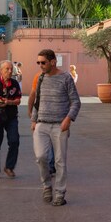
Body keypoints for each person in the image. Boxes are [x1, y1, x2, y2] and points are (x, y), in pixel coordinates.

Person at [31, 48, 80, 207]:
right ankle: (46, 185)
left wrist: (68, 119)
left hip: (60, 125)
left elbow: (76, 102)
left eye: (43, 62)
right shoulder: (41, 78)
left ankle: (60, 193)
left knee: (60, 161)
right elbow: (38, 101)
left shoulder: (66, 78)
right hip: (41, 124)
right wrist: (33, 120)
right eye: (38, 62)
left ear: (53, 62)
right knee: (41, 157)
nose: (40, 65)